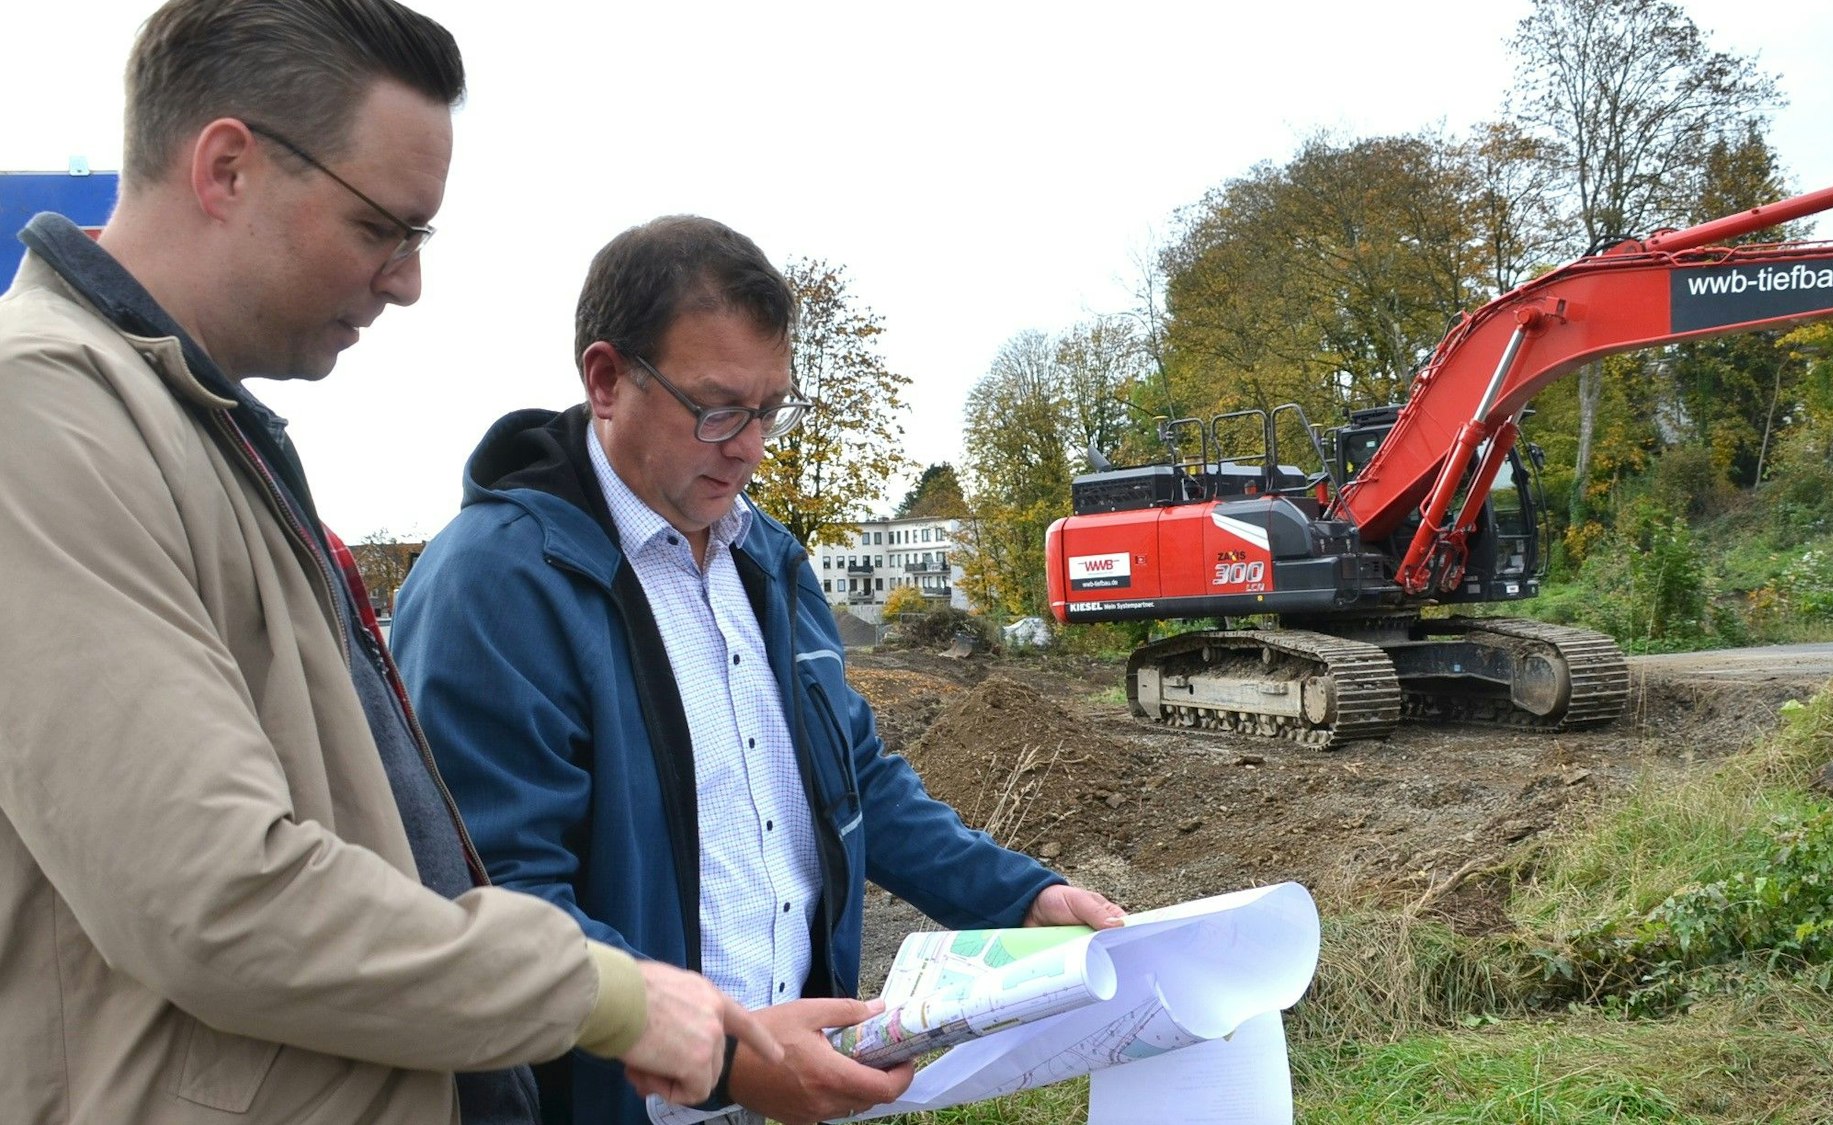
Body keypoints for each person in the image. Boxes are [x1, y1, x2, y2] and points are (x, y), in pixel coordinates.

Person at [0, 4, 782, 1123]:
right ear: (227, 168)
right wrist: (608, 993)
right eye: (382, 227)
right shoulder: (40, 411)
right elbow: (212, 895)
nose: (406, 282)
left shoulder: (192, 423)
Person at [391, 215, 1125, 1125]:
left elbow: (854, 781)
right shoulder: (496, 584)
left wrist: (1020, 896)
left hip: (790, 1089)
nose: (748, 445)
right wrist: (729, 1058)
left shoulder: (767, 560)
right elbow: (496, 899)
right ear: (606, 379)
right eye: (717, 408)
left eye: (771, 409)